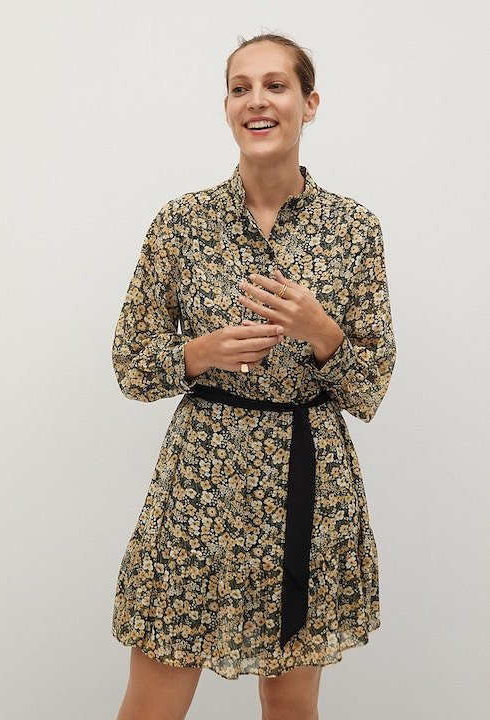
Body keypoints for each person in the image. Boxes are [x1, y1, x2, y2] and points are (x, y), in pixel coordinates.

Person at [111, 32, 396, 720]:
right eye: (240, 88)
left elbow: (371, 386)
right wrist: (197, 353)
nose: (256, 101)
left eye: (275, 85)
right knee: (152, 703)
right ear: (227, 107)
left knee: (290, 707)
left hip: (308, 480)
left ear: (309, 103)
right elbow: (130, 364)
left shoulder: (353, 229)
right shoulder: (181, 224)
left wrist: (322, 331)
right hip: (200, 482)